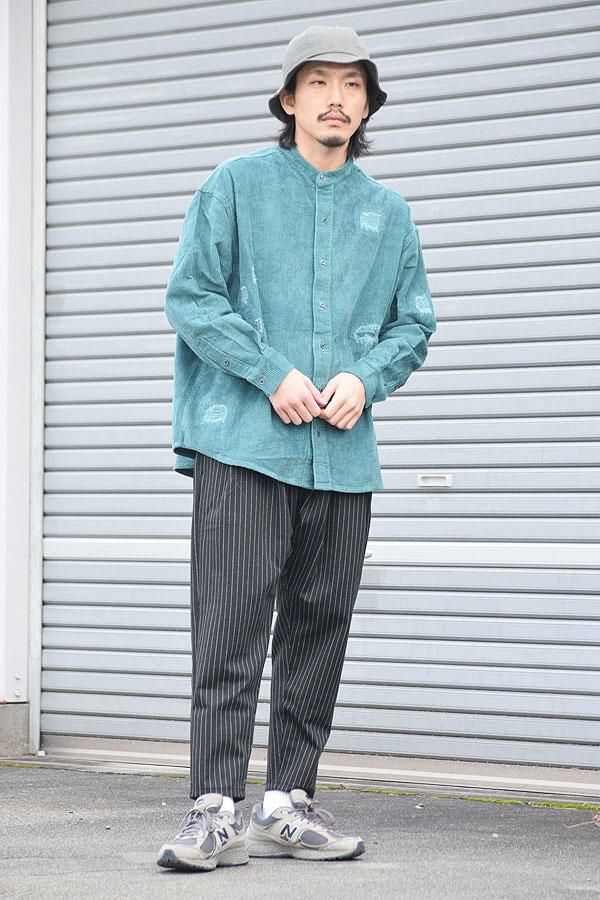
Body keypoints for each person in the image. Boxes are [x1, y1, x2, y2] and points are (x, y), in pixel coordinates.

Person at [156, 24, 437, 872]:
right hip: (243, 444)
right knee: (232, 624)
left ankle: (287, 804)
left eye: (352, 84)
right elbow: (192, 298)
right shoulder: (236, 185)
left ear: (368, 105)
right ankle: (213, 809)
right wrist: (269, 371)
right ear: (288, 100)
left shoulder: (388, 213)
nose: (335, 98)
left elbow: (414, 324)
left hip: (341, 456)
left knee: (320, 625)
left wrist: (367, 378)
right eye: (318, 82)